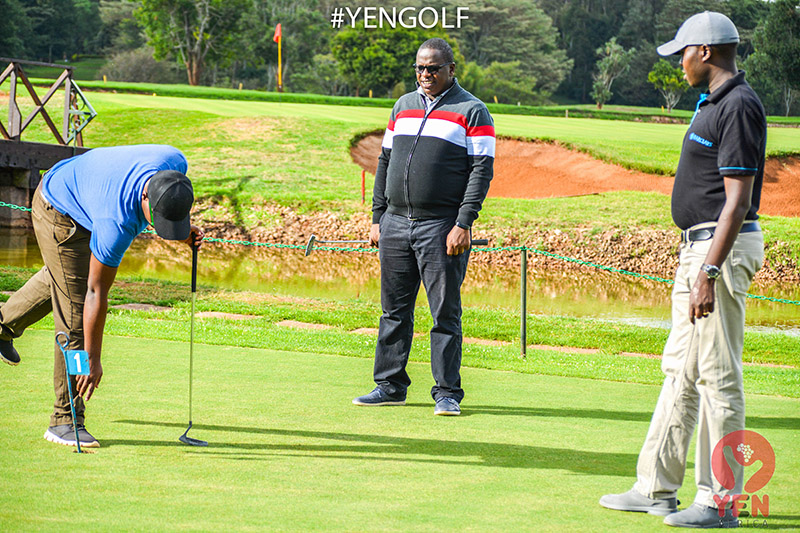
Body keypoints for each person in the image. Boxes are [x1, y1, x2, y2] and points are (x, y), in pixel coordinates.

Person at [599, 12, 766, 528]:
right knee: (681, 372)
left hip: (719, 252)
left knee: (718, 376)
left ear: (706, 52)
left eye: (683, 53)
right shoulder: (713, 102)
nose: (680, 63)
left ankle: (721, 501)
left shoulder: (738, 105)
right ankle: (655, 488)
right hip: (698, 249)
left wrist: (708, 273)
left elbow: (738, 201)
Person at [0, 144, 204, 448]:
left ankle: (3, 325)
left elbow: (170, 201)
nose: (158, 227)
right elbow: (96, 293)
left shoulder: (175, 164)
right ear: (145, 197)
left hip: (84, 194)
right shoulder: (116, 222)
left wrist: (180, 230)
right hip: (59, 208)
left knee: (64, 280)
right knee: (75, 318)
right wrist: (93, 358)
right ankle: (64, 420)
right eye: (158, 220)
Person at [352, 38, 495, 416]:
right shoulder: (403, 106)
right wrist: (377, 217)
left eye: (433, 68)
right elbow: (385, 161)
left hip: (441, 226)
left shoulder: (472, 110)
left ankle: (447, 392)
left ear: (451, 69)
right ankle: (390, 385)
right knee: (393, 311)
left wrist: (463, 223)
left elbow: (481, 171)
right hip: (395, 223)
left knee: (444, 314)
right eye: (420, 68)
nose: (425, 74)